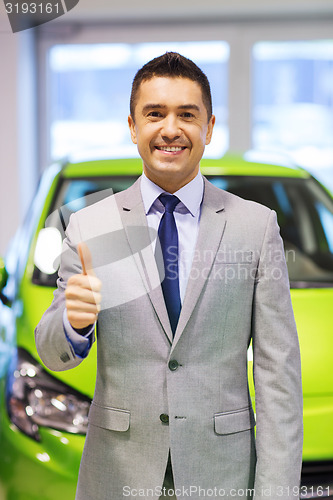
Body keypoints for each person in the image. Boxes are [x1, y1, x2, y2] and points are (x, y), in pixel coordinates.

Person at [35, 52, 303, 500]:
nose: (171, 128)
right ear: (133, 126)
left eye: (187, 114)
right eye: (155, 114)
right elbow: (52, 351)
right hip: (117, 475)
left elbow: (278, 373)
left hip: (223, 475)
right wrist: (73, 324)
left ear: (209, 127)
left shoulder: (254, 226)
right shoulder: (92, 225)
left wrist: (276, 492)